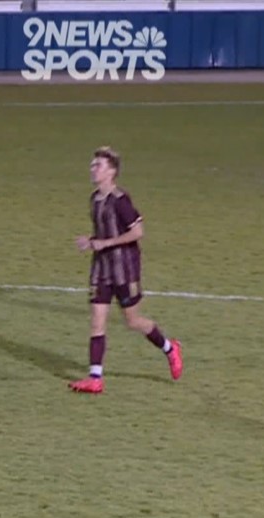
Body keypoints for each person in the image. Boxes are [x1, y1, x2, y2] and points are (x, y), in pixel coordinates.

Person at [69, 147, 183, 394]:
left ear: (111, 171)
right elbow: (104, 233)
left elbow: (137, 232)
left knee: (133, 321)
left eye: (97, 165)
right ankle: (95, 378)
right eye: (92, 164)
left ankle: (169, 348)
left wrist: (104, 243)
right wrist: (90, 242)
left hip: (124, 268)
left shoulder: (121, 200)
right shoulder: (94, 199)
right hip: (101, 268)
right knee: (97, 322)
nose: (92, 168)